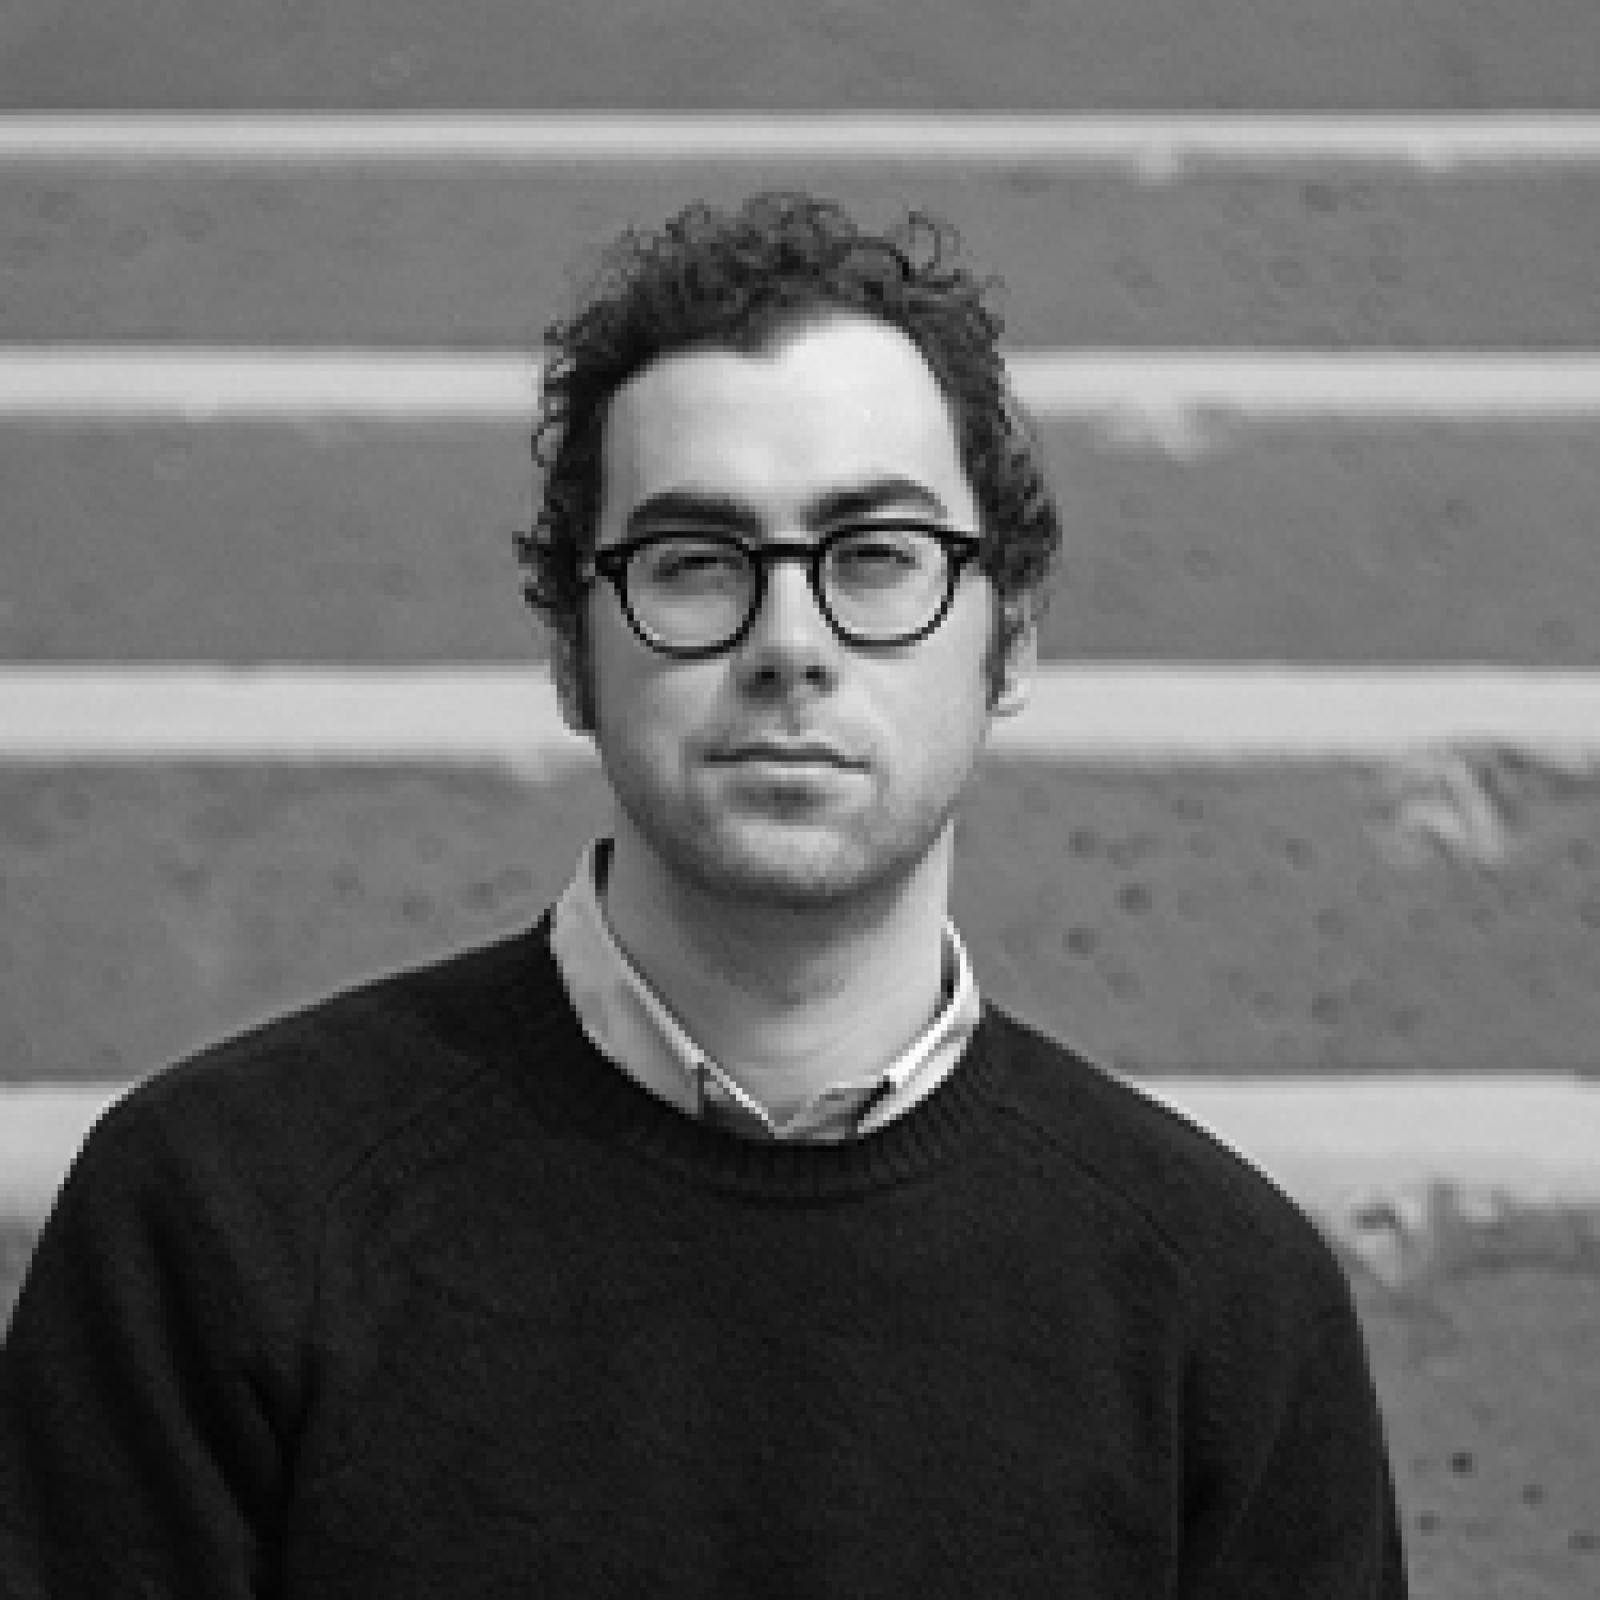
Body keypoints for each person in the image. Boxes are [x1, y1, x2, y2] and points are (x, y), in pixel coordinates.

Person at [0, 191, 1407, 1597]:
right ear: (570, 652)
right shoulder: (215, 1217)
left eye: (875, 558)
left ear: (1012, 639)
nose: (790, 643)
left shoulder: (1227, 1303)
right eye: (693, 565)